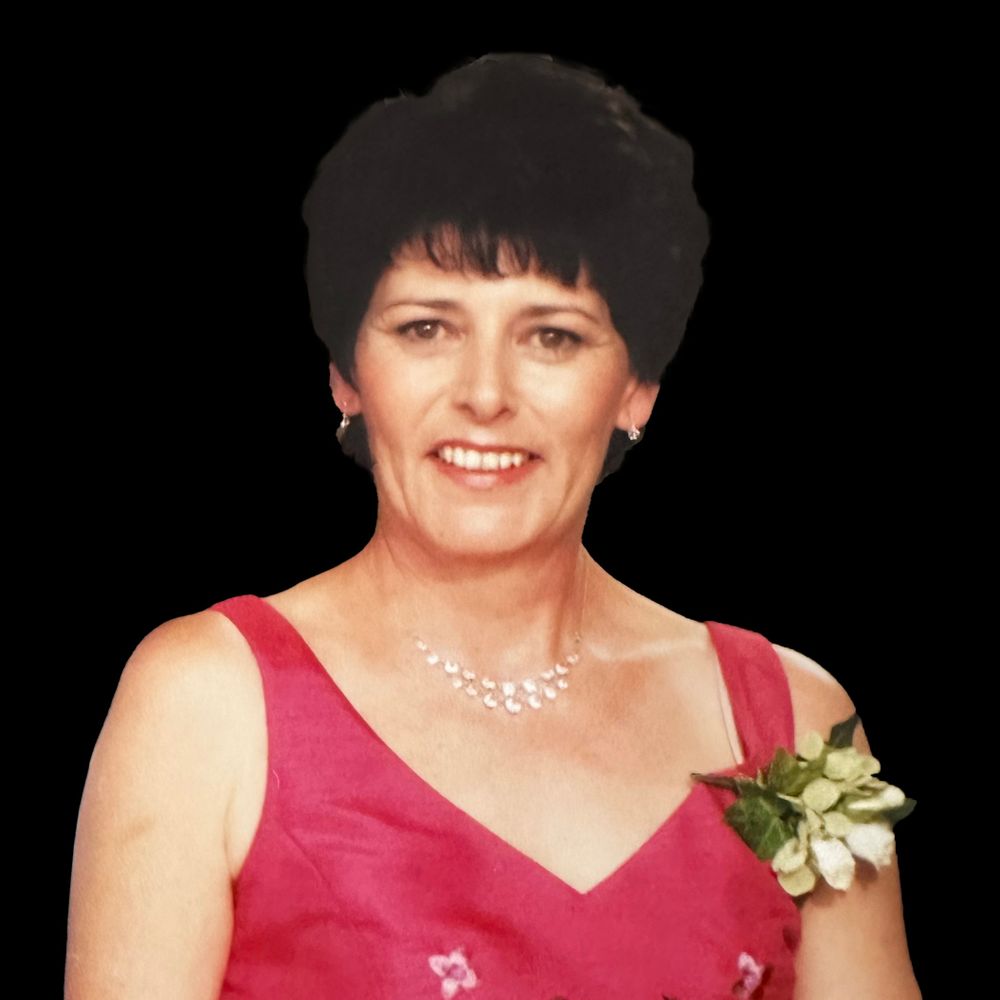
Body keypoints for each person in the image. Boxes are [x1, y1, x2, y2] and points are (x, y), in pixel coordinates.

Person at [66, 52, 920, 998]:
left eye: (552, 336)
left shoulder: (793, 724)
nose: (484, 395)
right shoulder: (207, 702)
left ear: (636, 387)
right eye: (426, 328)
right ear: (347, 375)